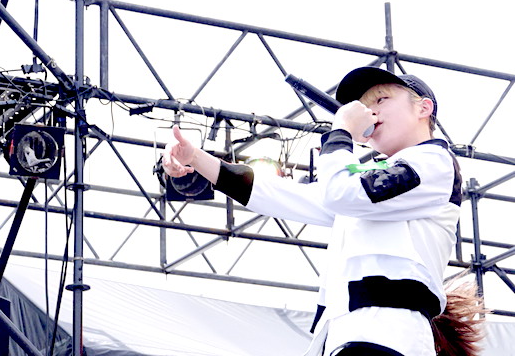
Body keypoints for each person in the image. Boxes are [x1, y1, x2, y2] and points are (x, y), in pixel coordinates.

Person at [162, 66, 485, 356]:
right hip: (349, 335)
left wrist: (340, 133)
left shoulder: (433, 162)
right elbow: (285, 195)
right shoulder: (367, 180)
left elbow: (342, 193)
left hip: (386, 334)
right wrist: (198, 159)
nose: (370, 111)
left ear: (423, 108)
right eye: (364, 106)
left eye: (381, 99)